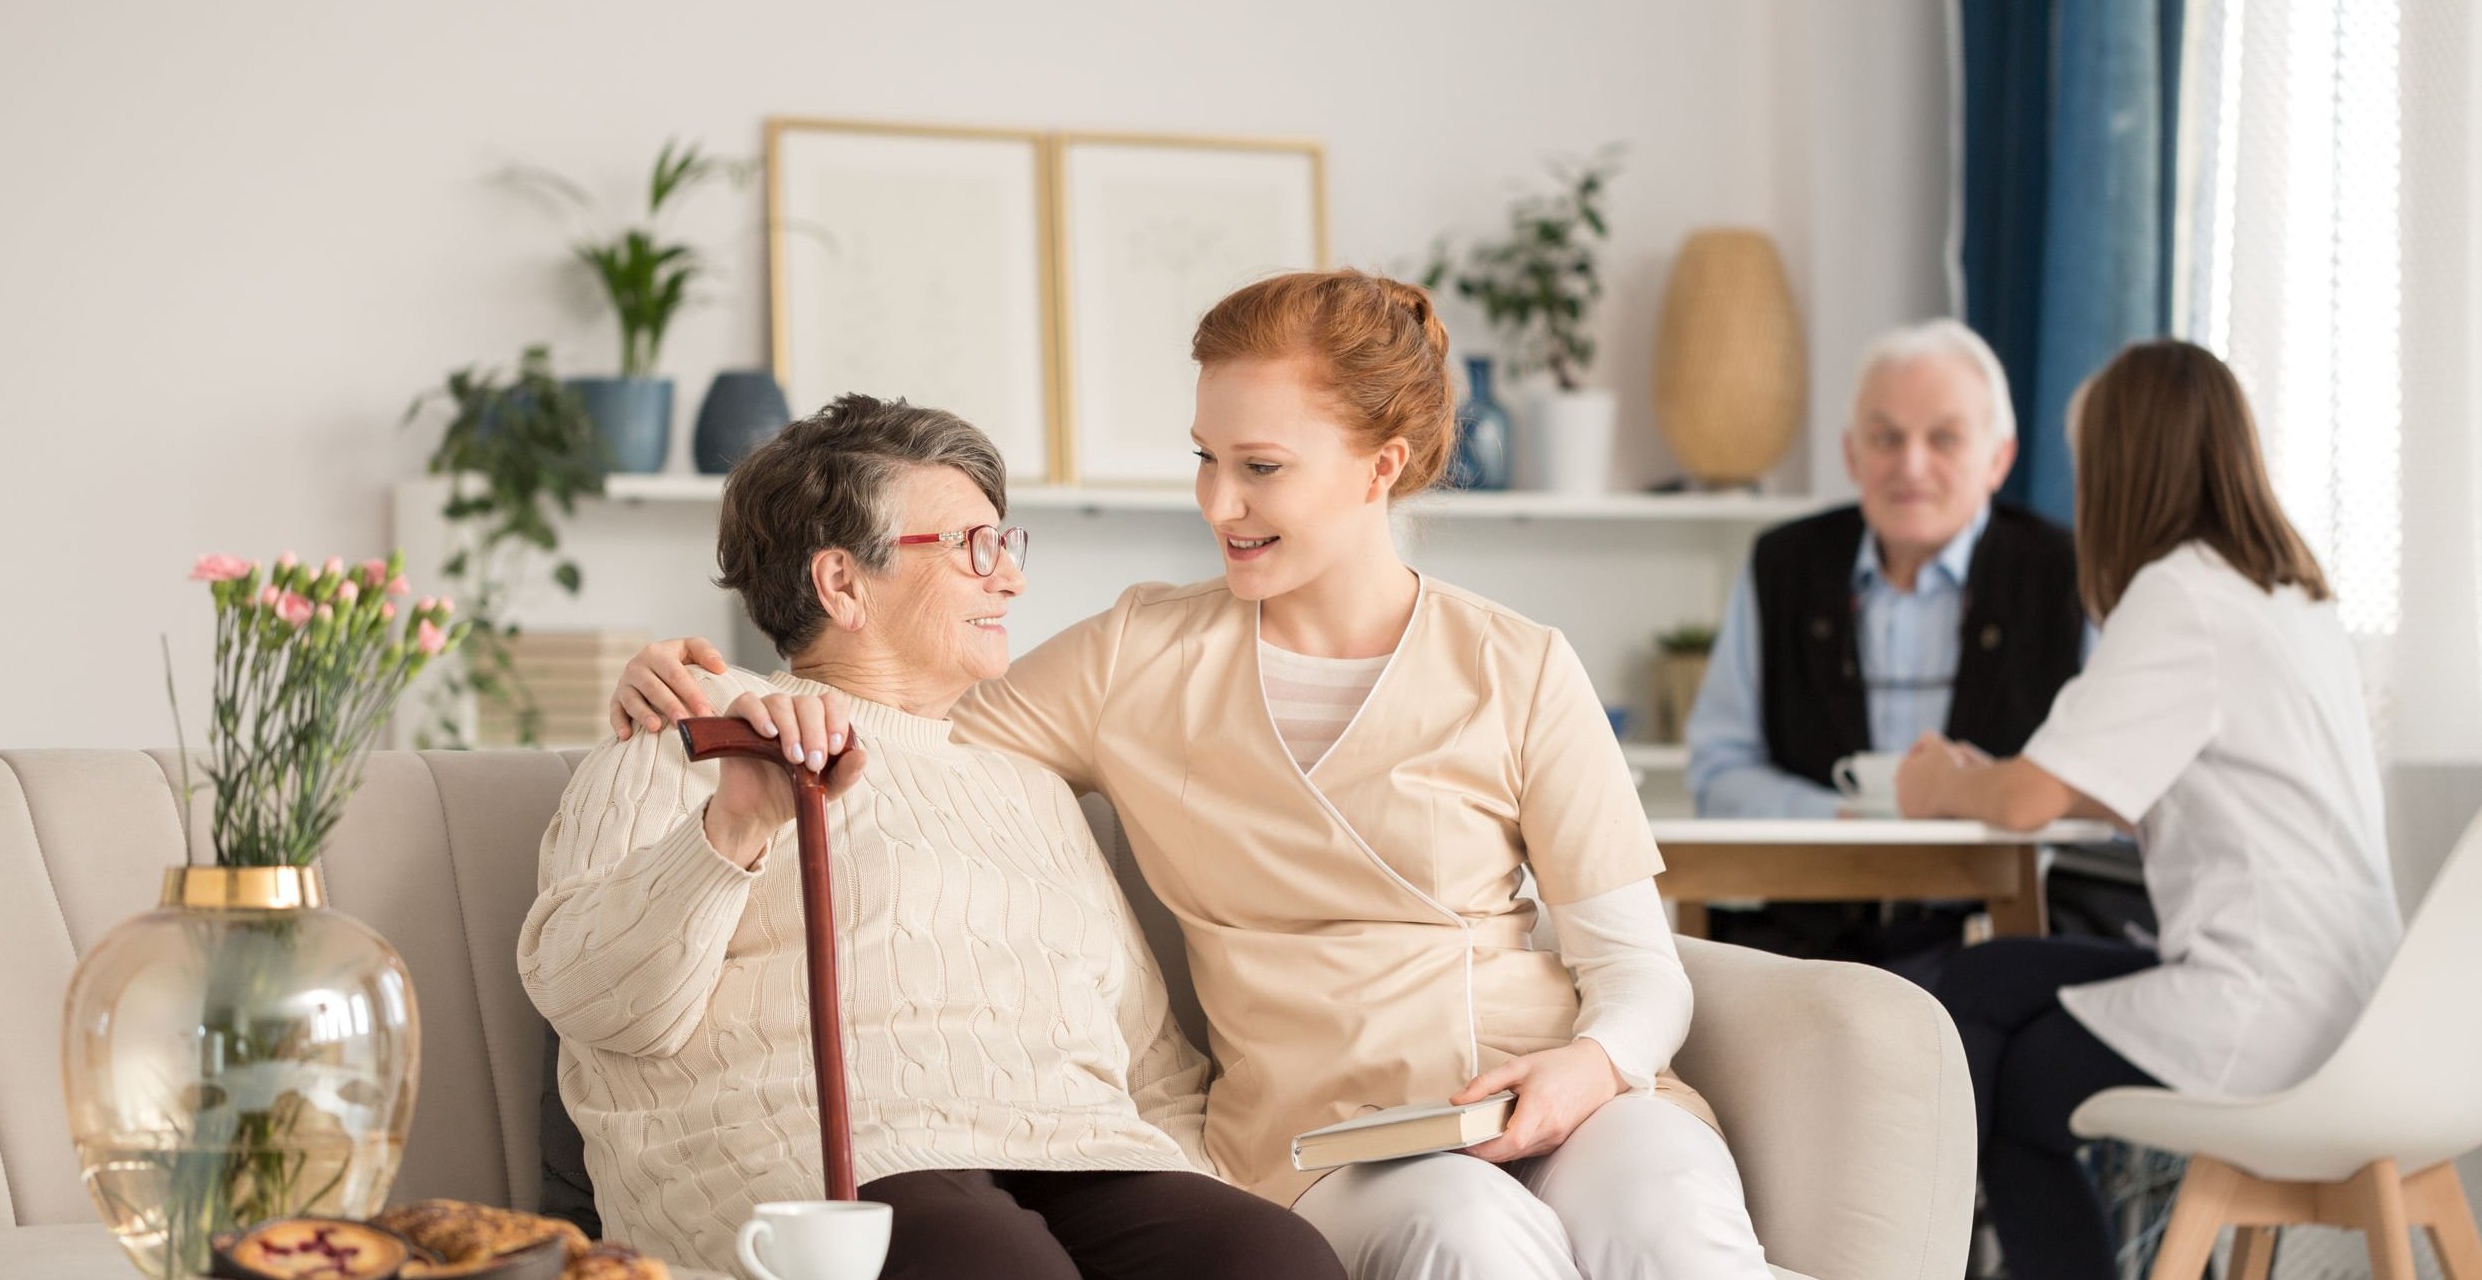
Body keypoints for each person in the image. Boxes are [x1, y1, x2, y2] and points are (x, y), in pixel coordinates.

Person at [613, 271, 1771, 1279]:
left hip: (1560, 1086)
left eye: (1260, 467)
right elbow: (904, 723)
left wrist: (1592, 1068)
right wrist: (700, 691)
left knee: (1672, 1219)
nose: (1218, 504)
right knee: (1467, 1237)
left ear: (1385, 466)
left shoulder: (1520, 666)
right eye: (1207, 461)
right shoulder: (1135, 656)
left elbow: (1640, 972)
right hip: (1334, 1139)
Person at [516, 396, 1344, 1280]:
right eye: (971, 548)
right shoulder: (696, 731)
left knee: (1275, 1259)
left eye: (1007, 544)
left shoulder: (1026, 786)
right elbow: (596, 1003)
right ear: (842, 584)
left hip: (1080, 1153)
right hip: (829, 1158)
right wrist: (737, 824)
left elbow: (1153, 1069)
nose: (1011, 579)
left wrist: (1205, 1193)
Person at [1897, 340, 2403, 1280]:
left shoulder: (2178, 596)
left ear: (2126, 468)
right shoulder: (2288, 595)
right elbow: (2161, 783)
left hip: (2263, 1004)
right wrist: (2009, 776)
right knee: (1979, 987)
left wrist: (1939, 782)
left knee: (2007, 1083)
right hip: (2354, 996)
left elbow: (2023, 800)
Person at [1684, 319, 2092, 967]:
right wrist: (1837, 822)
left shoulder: (2069, 575)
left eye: (1945, 439)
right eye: (1886, 438)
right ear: (1851, 455)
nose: (1911, 465)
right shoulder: (1782, 566)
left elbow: (2096, 785)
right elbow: (1719, 768)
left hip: (1999, 940)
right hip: (1808, 944)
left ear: (1999, 458)